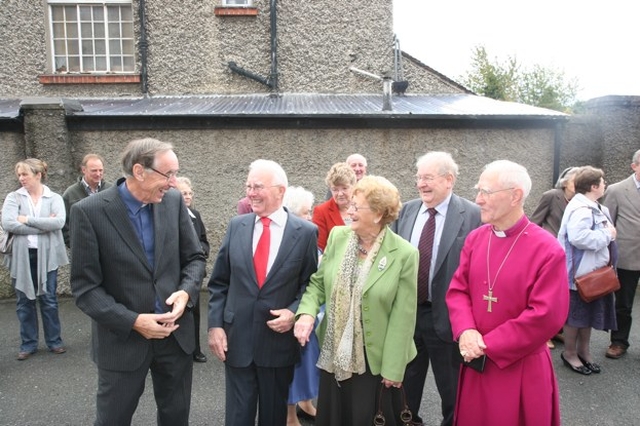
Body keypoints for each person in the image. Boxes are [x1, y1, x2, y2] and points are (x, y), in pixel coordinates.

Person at [69, 138, 206, 426]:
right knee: (112, 419)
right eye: (167, 174)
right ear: (139, 171)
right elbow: (85, 289)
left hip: (175, 336)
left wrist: (185, 292)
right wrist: (133, 321)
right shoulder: (89, 211)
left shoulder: (172, 201)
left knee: (175, 417)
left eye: (175, 173)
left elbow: (194, 258)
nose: (173, 182)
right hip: (122, 342)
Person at [446, 160, 568, 426]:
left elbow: (546, 316)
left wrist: (486, 344)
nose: (478, 199)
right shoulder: (476, 239)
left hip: (520, 367)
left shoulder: (547, 249)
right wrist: (466, 331)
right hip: (476, 361)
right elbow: (458, 290)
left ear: (516, 196)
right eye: (478, 191)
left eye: (486, 192)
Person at [295, 175, 419, 426]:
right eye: (349, 204)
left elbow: (403, 316)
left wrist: (393, 368)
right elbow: (318, 282)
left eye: (356, 206)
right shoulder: (338, 237)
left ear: (378, 214)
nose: (348, 211)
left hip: (374, 362)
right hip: (335, 355)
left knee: (368, 417)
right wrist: (306, 313)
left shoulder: (404, 254)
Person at [208, 160, 318, 426]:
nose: (251, 193)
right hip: (237, 340)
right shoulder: (237, 226)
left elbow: (311, 285)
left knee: (273, 417)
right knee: (238, 417)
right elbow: (219, 282)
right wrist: (215, 326)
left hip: (277, 344)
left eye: (258, 186)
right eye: (248, 186)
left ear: (280, 191)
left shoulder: (305, 233)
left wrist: (294, 313)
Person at [391, 152, 481, 426]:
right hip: (408, 316)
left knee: (453, 390)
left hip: (449, 319)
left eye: (428, 178)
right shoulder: (406, 211)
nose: (421, 184)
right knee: (405, 385)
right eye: (419, 177)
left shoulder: (473, 215)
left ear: (449, 180)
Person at [2, 159, 69, 360]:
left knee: (48, 299)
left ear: (38, 175)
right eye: (19, 175)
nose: (21, 178)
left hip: (47, 255)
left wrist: (26, 219)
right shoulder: (14, 197)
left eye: (25, 175)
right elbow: (8, 223)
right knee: (24, 300)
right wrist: (43, 226)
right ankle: (28, 344)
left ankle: (54, 341)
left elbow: (59, 222)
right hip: (21, 256)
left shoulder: (53, 197)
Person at [558, 166, 617, 375]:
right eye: (602, 182)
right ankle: (570, 353)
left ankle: (584, 351)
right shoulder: (582, 209)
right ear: (593, 186)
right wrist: (607, 236)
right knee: (575, 317)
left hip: (593, 274)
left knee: (588, 314)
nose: (605, 185)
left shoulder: (595, 207)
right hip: (580, 275)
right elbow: (578, 237)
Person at [283, 186, 320, 426]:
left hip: (311, 312)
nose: (310, 217)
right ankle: (289, 415)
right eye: (306, 212)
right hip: (290, 311)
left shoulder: (307, 234)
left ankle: (306, 402)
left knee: (309, 363)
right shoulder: (286, 237)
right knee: (292, 368)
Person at [530, 166, 579, 349]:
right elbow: (535, 220)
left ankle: (557, 330)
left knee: (562, 294)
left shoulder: (579, 201)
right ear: (565, 181)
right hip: (548, 251)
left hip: (569, 254)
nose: (577, 184)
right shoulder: (552, 195)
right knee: (546, 294)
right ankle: (544, 335)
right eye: (575, 180)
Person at [604, 149, 640, 360]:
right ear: (634, 166)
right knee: (623, 304)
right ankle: (618, 341)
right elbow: (607, 224)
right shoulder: (617, 190)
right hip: (627, 256)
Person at [176, 176, 210, 363]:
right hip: (176, 273)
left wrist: (201, 250)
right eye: (183, 193)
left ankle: (195, 349)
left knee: (194, 313)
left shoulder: (196, 216)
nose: (188, 197)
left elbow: (204, 240)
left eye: (190, 193)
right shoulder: (170, 216)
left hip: (193, 274)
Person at [62, 154, 112, 247]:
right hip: (82, 249)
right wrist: (74, 244)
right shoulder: (70, 193)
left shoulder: (112, 190)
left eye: (100, 170)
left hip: (109, 248)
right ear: (83, 170)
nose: (98, 174)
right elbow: (64, 225)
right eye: (94, 171)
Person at [314, 162, 357, 251]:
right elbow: (319, 248)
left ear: (353, 186)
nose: (340, 194)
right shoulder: (321, 211)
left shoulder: (364, 207)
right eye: (335, 189)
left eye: (344, 188)